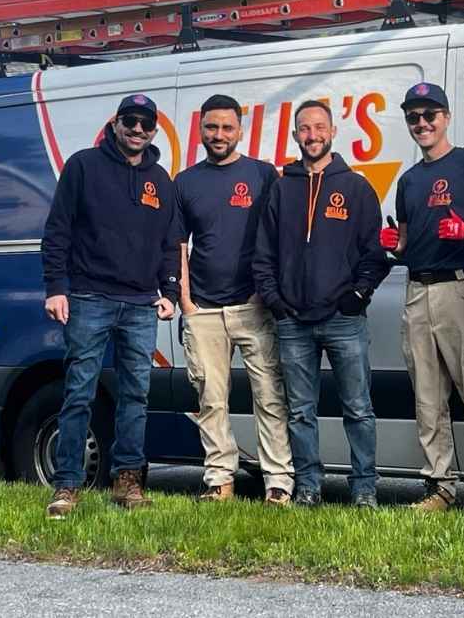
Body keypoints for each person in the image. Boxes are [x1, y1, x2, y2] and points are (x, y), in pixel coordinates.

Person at [41, 93, 179, 519]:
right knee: (79, 392)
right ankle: (67, 484)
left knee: (136, 396)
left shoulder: (161, 180)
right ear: (116, 123)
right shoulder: (83, 166)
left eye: (146, 123)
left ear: (154, 130)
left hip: (141, 305)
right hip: (88, 298)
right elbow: (58, 230)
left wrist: (170, 293)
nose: (137, 129)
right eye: (130, 120)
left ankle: (127, 482)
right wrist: (56, 287)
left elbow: (169, 243)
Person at [253, 100, 390, 508]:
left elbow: (374, 254)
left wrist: (357, 296)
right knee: (300, 411)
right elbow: (263, 255)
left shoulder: (356, 187)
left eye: (319, 127)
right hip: (293, 320)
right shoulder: (281, 188)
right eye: (304, 129)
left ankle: (364, 488)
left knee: (358, 408)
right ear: (295, 135)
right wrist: (276, 303)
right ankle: (309, 485)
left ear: (332, 132)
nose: (312, 135)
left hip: (344, 320)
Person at [380, 82, 464, 513]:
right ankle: (439, 485)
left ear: (446, 117)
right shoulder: (409, 180)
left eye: (429, 115)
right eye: (413, 117)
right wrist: (394, 244)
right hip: (418, 290)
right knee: (427, 394)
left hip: (463, 287)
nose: (422, 123)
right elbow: (406, 241)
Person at [175, 94, 294, 506]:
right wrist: (186, 301)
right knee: (210, 400)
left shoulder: (263, 174)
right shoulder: (185, 182)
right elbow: (178, 245)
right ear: (200, 130)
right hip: (203, 309)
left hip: (253, 305)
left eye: (227, 127)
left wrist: (265, 291)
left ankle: (278, 481)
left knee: (270, 396)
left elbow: (278, 236)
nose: (219, 134)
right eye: (211, 127)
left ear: (241, 130)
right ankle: (219, 480)